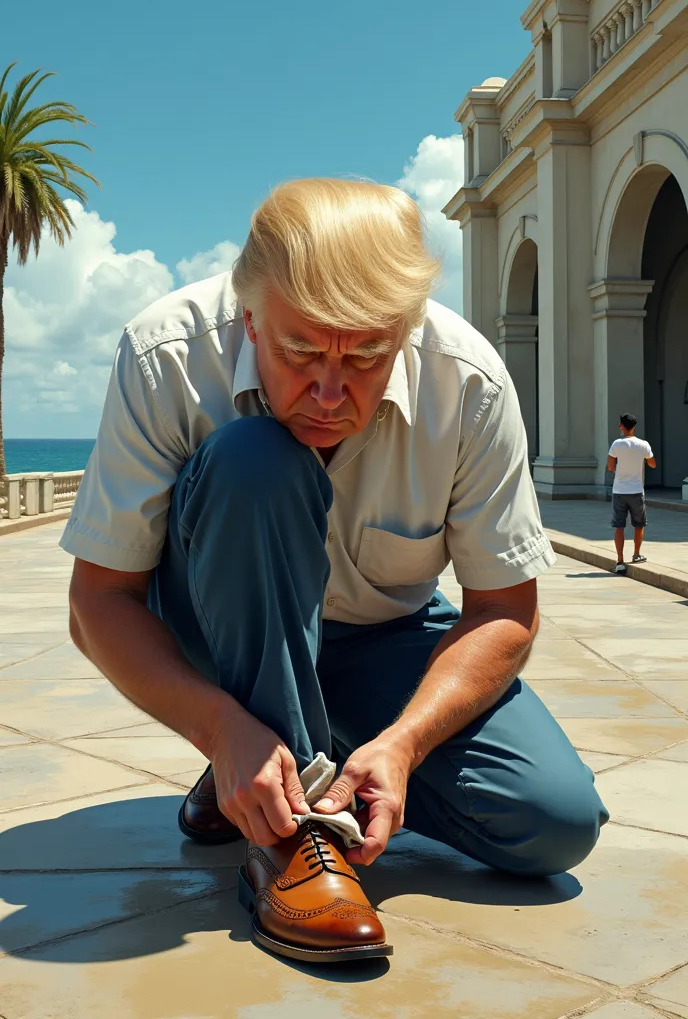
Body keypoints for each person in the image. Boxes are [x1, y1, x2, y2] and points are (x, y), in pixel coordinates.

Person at [62, 178, 608, 965]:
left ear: (407, 328)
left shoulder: (471, 382)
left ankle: (276, 773)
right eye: (300, 351)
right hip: (215, 624)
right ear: (250, 317)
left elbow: (504, 608)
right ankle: (291, 839)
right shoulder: (167, 355)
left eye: (364, 358)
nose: (327, 392)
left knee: (553, 821)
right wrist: (219, 726)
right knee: (255, 457)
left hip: (380, 636)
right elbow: (98, 602)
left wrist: (406, 745)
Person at [607, 413, 657, 575]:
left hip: (619, 490)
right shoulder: (643, 444)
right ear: (634, 426)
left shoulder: (616, 444)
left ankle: (620, 560)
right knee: (639, 524)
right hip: (636, 490)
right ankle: (636, 554)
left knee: (619, 526)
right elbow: (653, 464)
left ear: (622, 426)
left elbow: (610, 467)